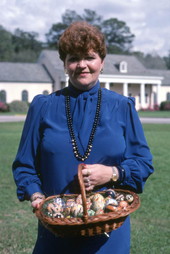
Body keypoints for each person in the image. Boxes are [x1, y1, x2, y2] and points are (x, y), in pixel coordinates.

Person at [12, 21, 154, 254]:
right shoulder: (43, 107)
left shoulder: (122, 106)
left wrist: (111, 173)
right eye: (73, 58)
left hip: (109, 235)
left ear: (102, 62)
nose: (82, 65)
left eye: (89, 57)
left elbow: (143, 162)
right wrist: (36, 195)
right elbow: (24, 165)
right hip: (56, 231)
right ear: (65, 64)